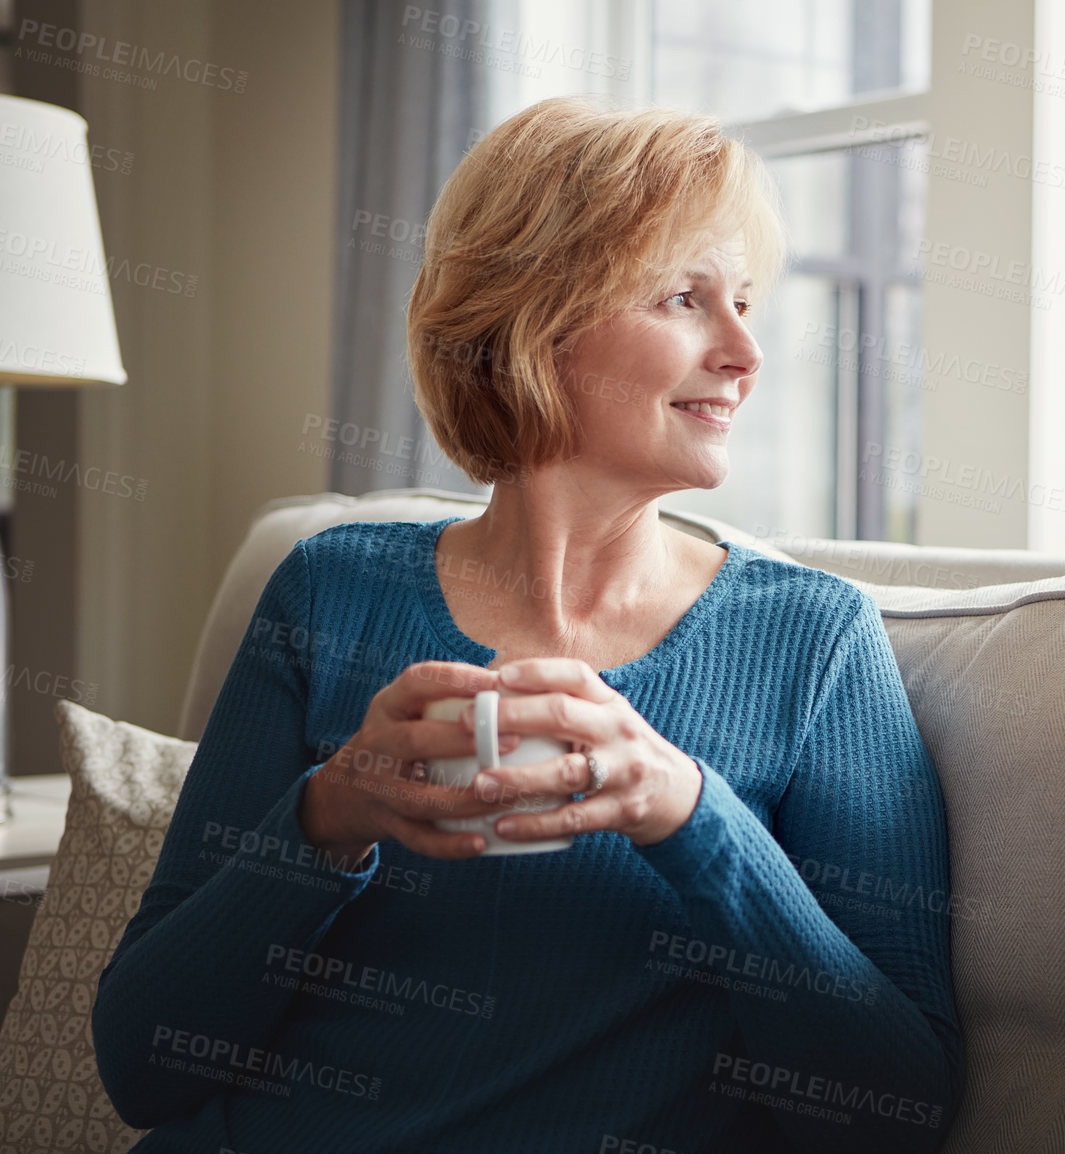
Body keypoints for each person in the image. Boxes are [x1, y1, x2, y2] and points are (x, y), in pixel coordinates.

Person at [91, 97, 964, 1153]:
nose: (746, 351)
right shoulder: (326, 590)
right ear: (534, 320)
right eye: (686, 297)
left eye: (744, 301)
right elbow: (144, 1062)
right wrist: (327, 814)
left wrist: (691, 815)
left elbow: (898, 1116)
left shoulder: (813, 644)